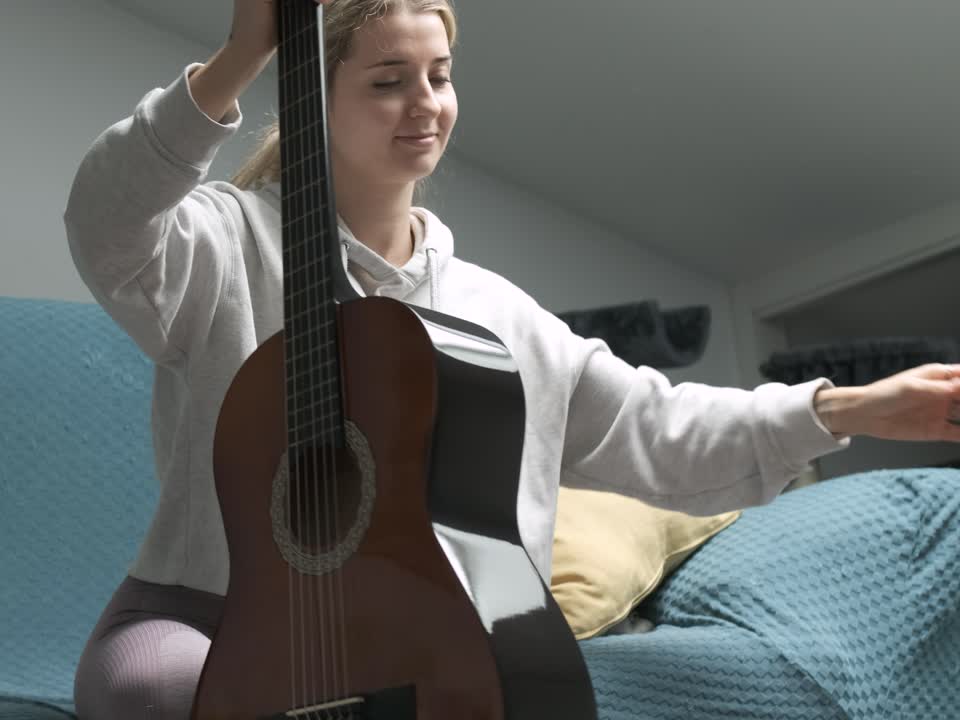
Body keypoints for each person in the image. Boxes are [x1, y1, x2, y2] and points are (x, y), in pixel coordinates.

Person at [62, 1, 960, 717]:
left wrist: (849, 409)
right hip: (205, 616)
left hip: (411, 644)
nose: (426, 104)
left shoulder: (497, 319)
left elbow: (660, 429)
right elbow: (105, 226)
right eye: (387, 81)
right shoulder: (224, 245)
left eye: (439, 77)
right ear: (317, 95)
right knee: (169, 695)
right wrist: (237, 60)